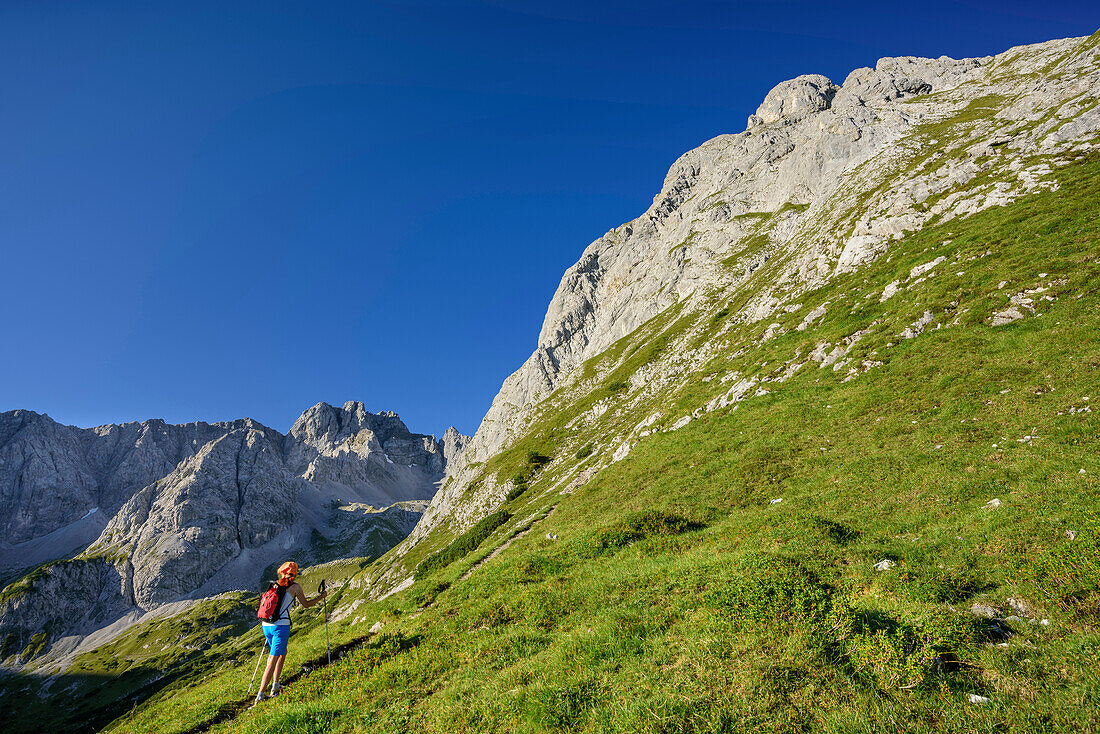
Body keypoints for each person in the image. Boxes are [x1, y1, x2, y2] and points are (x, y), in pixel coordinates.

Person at [254, 561, 327, 705]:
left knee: (282, 652)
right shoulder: (295, 587)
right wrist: (322, 596)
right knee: (272, 658)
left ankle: (276, 685)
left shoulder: (274, 585)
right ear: (294, 574)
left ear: (281, 572)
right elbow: (306, 604)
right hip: (280, 626)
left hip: (266, 625)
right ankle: (261, 695)